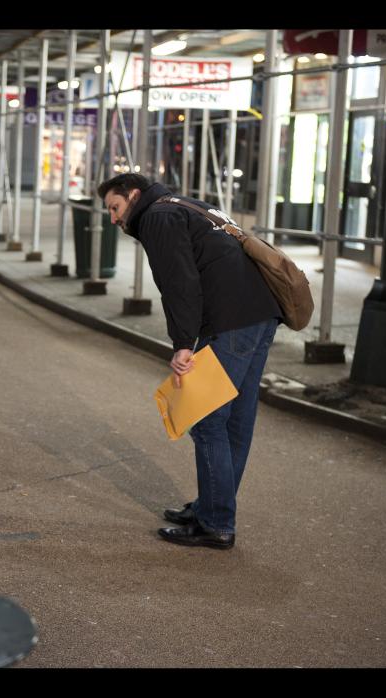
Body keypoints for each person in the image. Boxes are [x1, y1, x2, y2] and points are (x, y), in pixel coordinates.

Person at [98, 173, 283, 550]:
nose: (114, 219)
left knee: (206, 419)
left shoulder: (158, 218)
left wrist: (183, 344)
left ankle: (215, 522)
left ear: (132, 195)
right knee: (235, 421)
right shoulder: (184, 205)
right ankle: (211, 508)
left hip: (232, 322)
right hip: (260, 315)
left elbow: (180, 283)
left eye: (115, 208)